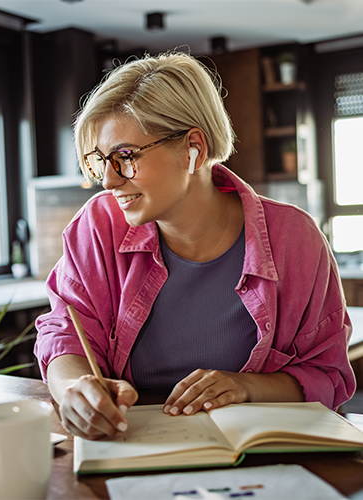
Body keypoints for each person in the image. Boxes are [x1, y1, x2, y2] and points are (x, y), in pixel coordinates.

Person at [34, 51, 356, 440]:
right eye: (100, 160)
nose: (109, 180)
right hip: (132, 446)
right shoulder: (98, 226)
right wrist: (74, 389)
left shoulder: (294, 239)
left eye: (125, 157)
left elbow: (329, 374)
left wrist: (245, 387)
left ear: (194, 149)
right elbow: (64, 333)